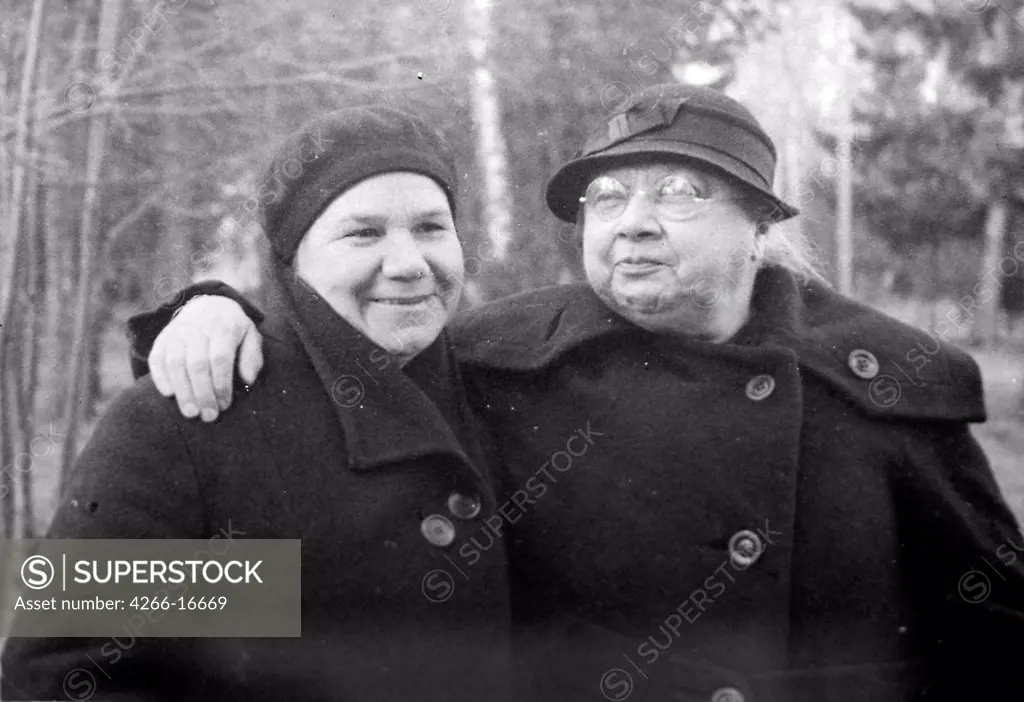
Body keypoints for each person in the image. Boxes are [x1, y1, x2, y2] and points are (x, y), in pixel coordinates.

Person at [123, 84, 1024, 701]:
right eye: (605, 198)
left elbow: (993, 637)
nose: (633, 222)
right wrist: (214, 311)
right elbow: (94, 629)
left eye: (679, 193)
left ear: (762, 225)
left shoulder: (887, 388)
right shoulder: (492, 364)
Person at [0, 105, 513, 702]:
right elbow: (59, 678)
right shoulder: (186, 421)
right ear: (293, 261)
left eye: (431, 228)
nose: (409, 264)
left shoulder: (503, 389)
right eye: (363, 232)